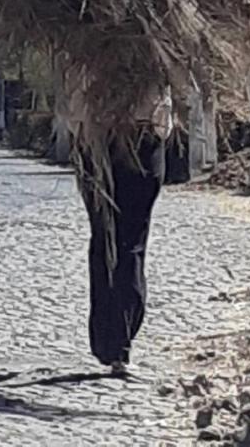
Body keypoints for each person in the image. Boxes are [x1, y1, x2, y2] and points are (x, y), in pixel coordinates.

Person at [68, 80, 173, 377]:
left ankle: (108, 341)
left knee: (105, 237)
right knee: (129, 243)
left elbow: (72, 106)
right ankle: (120, 342)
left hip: (96, 143)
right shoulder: (158, 52)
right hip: (135, 142)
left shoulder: (84, 53)